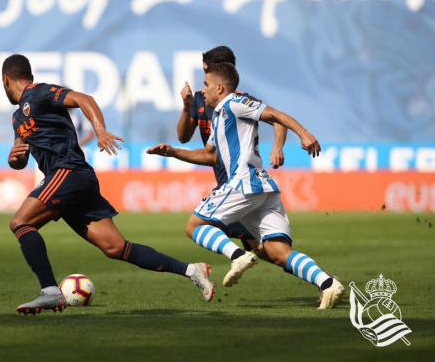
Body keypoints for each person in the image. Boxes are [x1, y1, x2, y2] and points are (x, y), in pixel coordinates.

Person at [2, 54, 215, 315]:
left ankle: (49, 292)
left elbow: (84, 99)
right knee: (116, 248)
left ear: (5, 80)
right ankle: (193, 270)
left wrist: (100, 130)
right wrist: (16, 159)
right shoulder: (17, 119)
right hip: (71, 182)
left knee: (20, 223)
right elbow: (20, 158)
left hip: (68, 171)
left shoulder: (39, 93)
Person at [148, 62, 345, 309]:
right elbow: (211, 156)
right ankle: (328, 284)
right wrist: (174, 152)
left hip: (243, 181)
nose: (203, 90)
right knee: (276, 252)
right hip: (262, 189)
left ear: (220, 87)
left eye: (206, 85)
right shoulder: (219, 116)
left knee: (194, 226)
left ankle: (238, 256)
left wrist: (303, 134)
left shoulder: (234, 103)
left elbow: (275, 115)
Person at [176, 46, 287, 286]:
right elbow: (184, 137)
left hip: (240, 182)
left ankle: (239, 258)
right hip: (227, 182)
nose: (204, 79)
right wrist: (186, 106)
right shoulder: (199, 99)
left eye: (206, 71)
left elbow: (278, 120)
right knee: (260, 248)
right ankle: (321, 279)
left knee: (199, 227)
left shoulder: (239, 100)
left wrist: (277, 146)